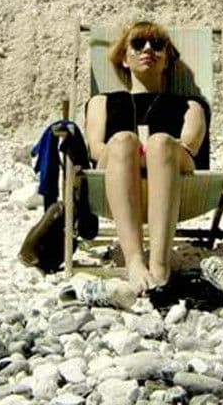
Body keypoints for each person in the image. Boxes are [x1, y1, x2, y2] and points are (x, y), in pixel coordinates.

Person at [84, 22, 208, 294]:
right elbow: (95, 149)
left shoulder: (191, 105)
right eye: (138, 44)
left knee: (160, 142)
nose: (148, 49)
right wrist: (131, 152)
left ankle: (160, 264)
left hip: (173, 170)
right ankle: (135, 261)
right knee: (123, 140)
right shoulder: (101, 102)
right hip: (115, 169)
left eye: (158, 45)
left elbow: (189, 147)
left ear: (167, 59)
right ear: (124, 58)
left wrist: (149, 152)